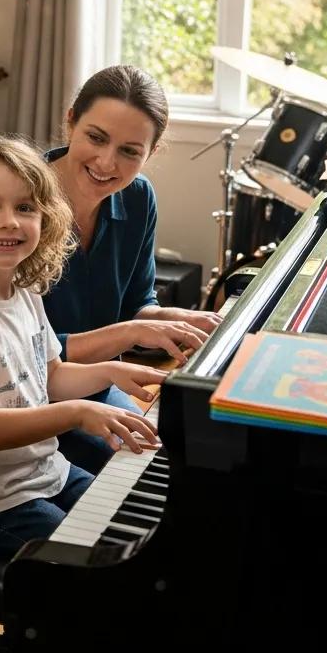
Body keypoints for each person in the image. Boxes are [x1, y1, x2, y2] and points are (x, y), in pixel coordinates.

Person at [0, 135, 168, 557]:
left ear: (45, 219)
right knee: (94, 561)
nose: (10, 221)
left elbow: (51, 376)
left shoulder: (24, 290)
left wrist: (111, 372)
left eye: (26, 207)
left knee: (140, 527)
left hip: (46, 471)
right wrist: (78, 412)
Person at [44, 64, 222, 472]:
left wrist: (179, 321)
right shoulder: (19, 205)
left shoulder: (139, 197)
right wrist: (131, 332)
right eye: (96, 137)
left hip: (97, 388)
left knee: (177, 459)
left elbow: (137, 304)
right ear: (71, 121)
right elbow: (21, 353)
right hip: (25, 399)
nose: (107, 162)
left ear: (151, 153)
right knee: (140, 474)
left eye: (129, 151)